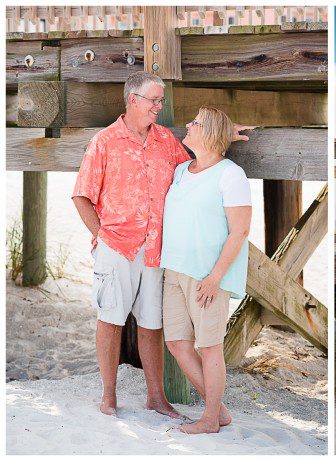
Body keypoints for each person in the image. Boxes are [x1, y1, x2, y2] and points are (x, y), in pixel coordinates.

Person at [71, 71, 249, 418]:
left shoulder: (166, 140)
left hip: (156, 251)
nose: (159, 106)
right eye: (154, 100)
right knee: (110, 319)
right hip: (116, 247)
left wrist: (225, 132)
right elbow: (81, 196)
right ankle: (109, 396)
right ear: (133, 100)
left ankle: (156, 397)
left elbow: (202, 162)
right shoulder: (104, 142)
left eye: (161, 100)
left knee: (153, 325)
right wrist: (101, 237)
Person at [161, 107, 251, 434]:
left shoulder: (231, 175)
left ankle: (210, 419)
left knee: (208, 346)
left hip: (207, 276)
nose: (188, 125)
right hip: (174, 271)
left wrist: (215, 277)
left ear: (209, 133)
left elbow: (240, 230)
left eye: (195, 123)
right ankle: (220, 411)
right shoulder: (182, 170)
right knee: (176, 342)